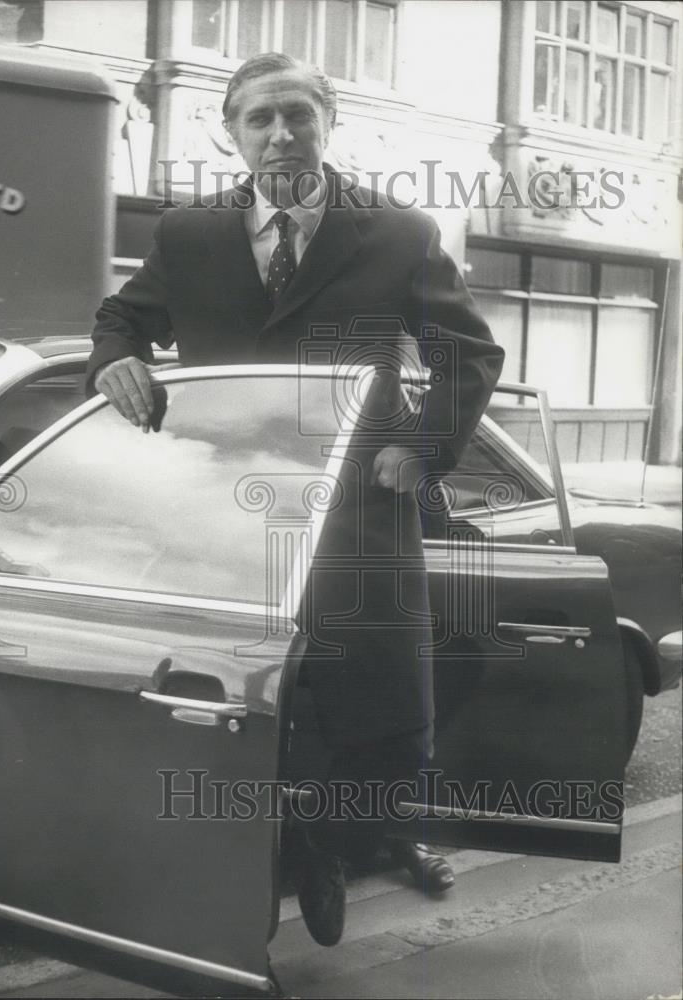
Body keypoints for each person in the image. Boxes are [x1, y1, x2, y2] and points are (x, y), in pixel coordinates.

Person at [88, 52, 504, 947]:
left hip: (361, 512)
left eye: (298, 116)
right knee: (238, 711)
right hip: (225, 519)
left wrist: (421, 450)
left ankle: (346, 835)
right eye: (260, 119)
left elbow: (471, 352)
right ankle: (263, 876)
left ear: (327, 121)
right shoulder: (188, 235)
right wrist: (112, 356)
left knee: (389, 717)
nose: (281, 134)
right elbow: (123, 316)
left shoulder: (396, 232)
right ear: (231, 134)